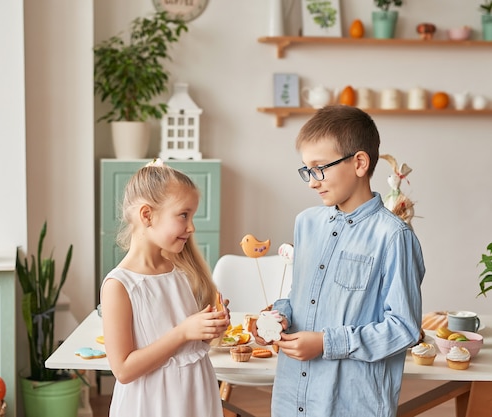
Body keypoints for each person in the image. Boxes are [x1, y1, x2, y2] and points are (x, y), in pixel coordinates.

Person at [253, 105, 425, 417]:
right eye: (306, 170)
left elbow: (404, 329)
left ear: (359, 163)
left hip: (352, 405)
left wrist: (325, 343)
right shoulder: (306, 223)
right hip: (292, 400)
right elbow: (302, 296)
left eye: (320, 168)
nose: (311, 181)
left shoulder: (394, 237)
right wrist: (279, 316)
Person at [100, 159, 229, 417]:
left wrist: (209, 328)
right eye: (183, 215)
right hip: (154, 404)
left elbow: (190, 347)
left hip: (195, 396)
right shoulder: (119, 285)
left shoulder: (181, 271)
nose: (191, 227)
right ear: (147, 215)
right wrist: (183, 332)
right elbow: (123, 370)